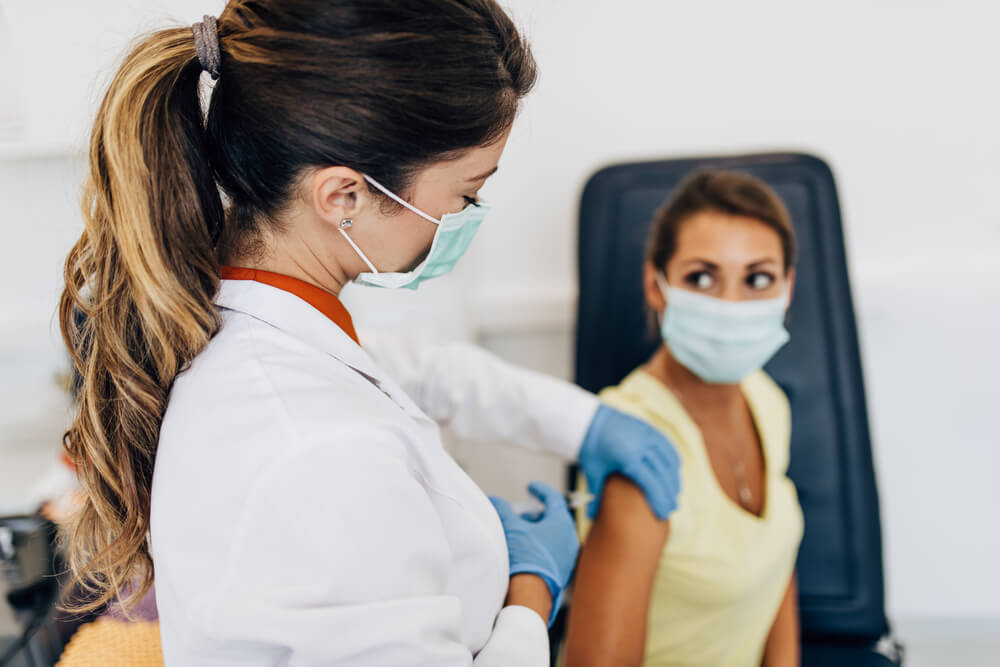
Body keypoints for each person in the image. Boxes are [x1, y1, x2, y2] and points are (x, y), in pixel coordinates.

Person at [56, 2, 681, 664]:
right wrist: (528, 598)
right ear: (343, 196)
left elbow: (415, 369)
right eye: (466, 195)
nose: (467, 216)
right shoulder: (316, 446)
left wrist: (585, 424)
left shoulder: (248, 317)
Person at [562, 171, 805, 667]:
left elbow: (772, 566)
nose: (731, 305)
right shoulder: (638, 448)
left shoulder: (766, 399)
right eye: (702, 277)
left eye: (757, 279)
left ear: (788, 287)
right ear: (657, 286)